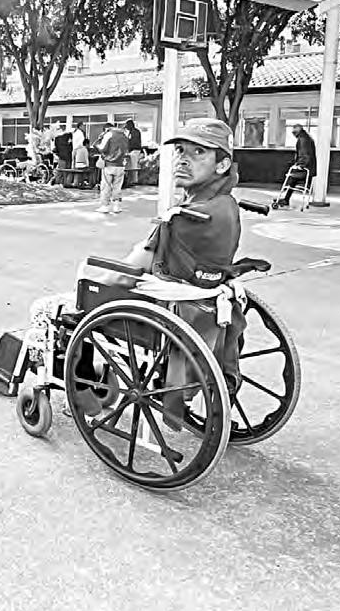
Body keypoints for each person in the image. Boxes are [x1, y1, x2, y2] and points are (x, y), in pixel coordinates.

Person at [79, 118, 243, 421]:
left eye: (198, 152)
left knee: (59, 311)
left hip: (169, 312)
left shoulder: (185, 217)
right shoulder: (225, 205)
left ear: (222, 165)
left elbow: (125, 273)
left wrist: (89, 291)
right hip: (206, 306)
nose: (183, 159)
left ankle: (82, 395)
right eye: (181, 150)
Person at [277, 124, 317, 206]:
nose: (293, 134)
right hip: (311, 168)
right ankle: (286, 199)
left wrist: (301, 165)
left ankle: (286, 199)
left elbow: (304, 154)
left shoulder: (303, 140)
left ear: (297, 131)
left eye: (294, 132)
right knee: (293, 179)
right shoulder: (307, 138)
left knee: (292, 177)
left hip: (306, 168)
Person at [94, 122, 127, 214]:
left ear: (106, 129)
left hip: (109, 164)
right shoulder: (124, 135)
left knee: (106, 186)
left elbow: (102, 148)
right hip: (120, 164)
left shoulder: (109, 134)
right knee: (117, 186)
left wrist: (99, 139)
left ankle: (105, 206)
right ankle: (117, 206)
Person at [124, 119, 143, 187]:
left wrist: (128, 147)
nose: (126, 128)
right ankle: (132, 180)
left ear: (130, 125)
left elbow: (133, 142)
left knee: (133, 166)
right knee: (131, 165)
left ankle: (134, 181)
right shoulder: (132, 132)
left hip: (135, 150)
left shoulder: (135, 132)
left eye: (127, 126)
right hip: (132, 150)